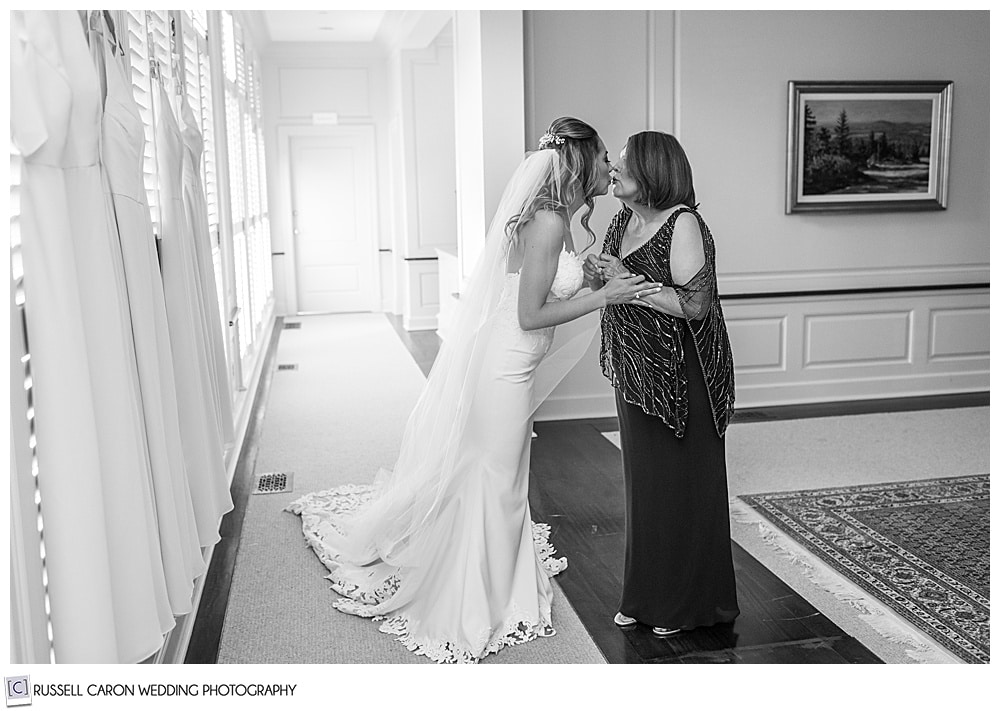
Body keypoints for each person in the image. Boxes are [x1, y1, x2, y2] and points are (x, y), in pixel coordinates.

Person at [285, 117, 661, 663]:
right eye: (604, 156)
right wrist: (608, 298)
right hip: (506, 362)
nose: (610, 166)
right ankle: (480, 593)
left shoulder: (558, 218)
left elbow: (550, 284)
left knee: (496, 471)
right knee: (498, 475)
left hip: (512, 359)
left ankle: (492, 572)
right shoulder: (549, 222)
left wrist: (594, 267)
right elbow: (532, 315)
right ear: (582, 162)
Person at [585, 130, 739, 637]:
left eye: (623, 163)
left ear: (652, 171)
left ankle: (687, 604)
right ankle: (645, 595)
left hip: (681, 376)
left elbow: (694, 306)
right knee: (645, 488)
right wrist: (600, 275)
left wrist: (626, 279)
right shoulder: (622, 219)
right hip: (637, 374)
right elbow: (615, 287)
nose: (614, 170)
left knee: (681, 487)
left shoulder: (684, 224)